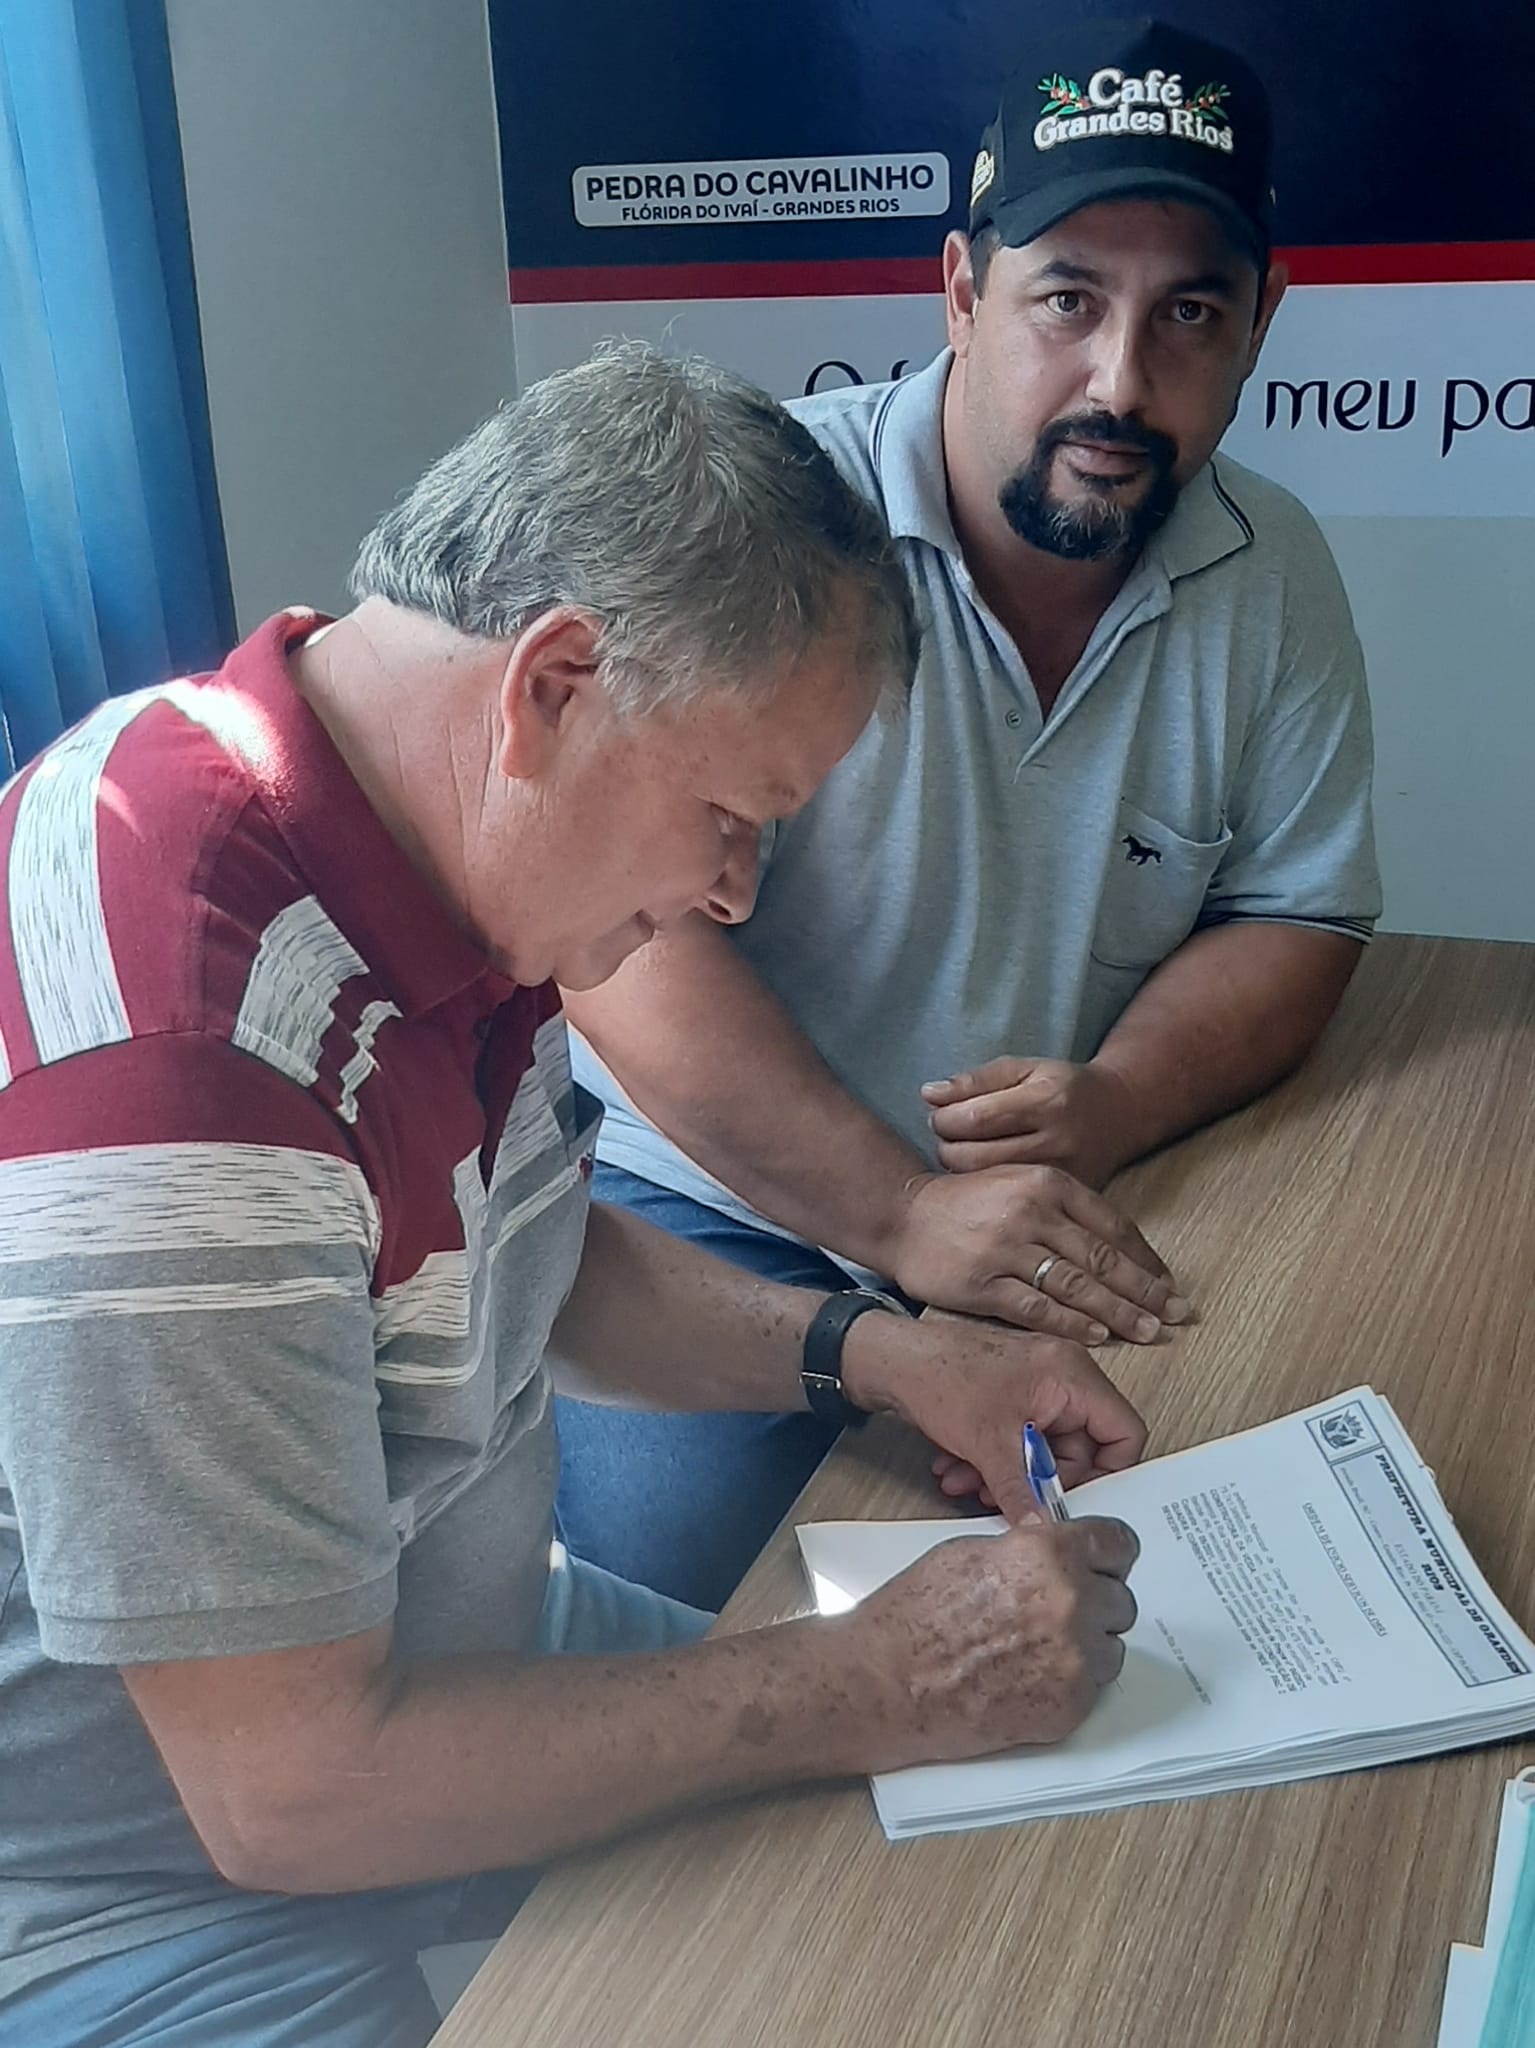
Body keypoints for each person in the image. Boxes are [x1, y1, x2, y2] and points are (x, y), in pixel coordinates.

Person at [0, 342, 1144, 2048]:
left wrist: (887, 1357)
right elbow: (292, 1795)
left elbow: (504, 1254)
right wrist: (867, 1681)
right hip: (129, 1889)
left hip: (432, 1641)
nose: (737, 894)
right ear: (553, 684)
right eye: (732, 816)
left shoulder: (402, 822)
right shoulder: (184, 1072)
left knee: (988, 1875)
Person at [557, 19, 1383, 1609]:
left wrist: (1116, 1104)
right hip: (702, 1203)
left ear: (1265, 323)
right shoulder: (768, 524)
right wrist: (896, 1218)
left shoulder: (1271, 570)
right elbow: (613, 947)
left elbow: (1298, 912)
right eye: (1067, 299)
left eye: (1190, 314)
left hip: (1041, 1210)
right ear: (960, 290)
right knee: (685, 1631)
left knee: (1147, 1602)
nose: (1120, 382)